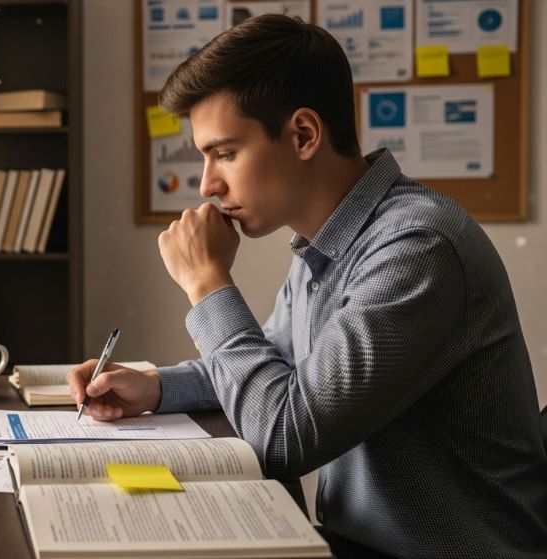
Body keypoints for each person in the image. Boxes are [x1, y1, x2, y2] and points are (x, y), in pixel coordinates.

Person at [67, 14, 546, 558]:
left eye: (224, 153)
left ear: (303, 134)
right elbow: (274, 362)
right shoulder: (327, 244)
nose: (207, 184)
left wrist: (207, 283)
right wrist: (155, 388)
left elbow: (283, 437)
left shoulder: (417, 249)